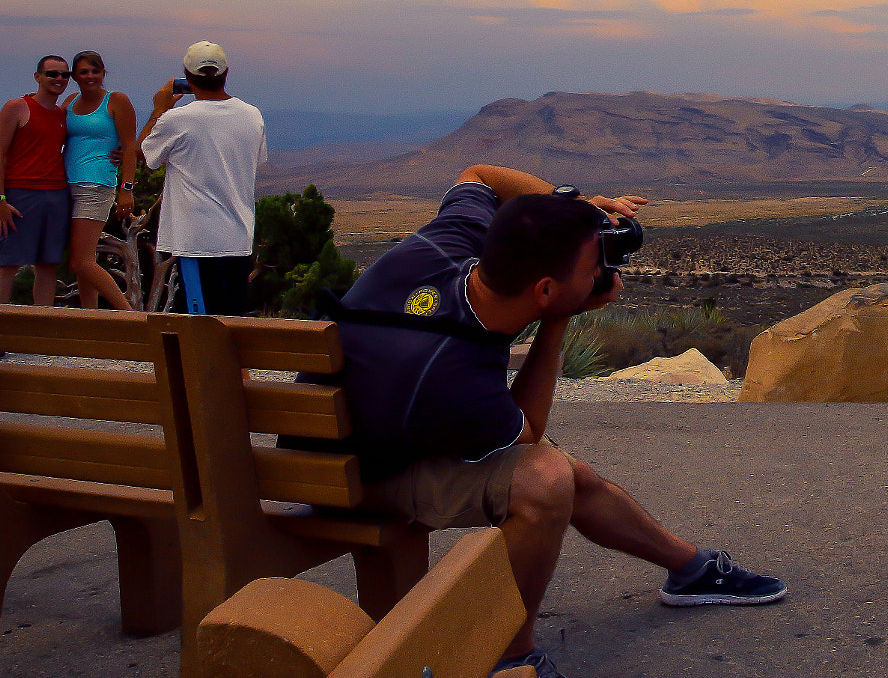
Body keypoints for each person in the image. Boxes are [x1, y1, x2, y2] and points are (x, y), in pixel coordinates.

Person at [290, 163, 786, 678]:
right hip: (352, 477)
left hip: (351, 433)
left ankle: (689, 569)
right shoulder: (454, 379)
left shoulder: (446, 244)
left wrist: (576, 209)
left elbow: (480, 174)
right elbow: (528, 434)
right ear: (545, 291)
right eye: (592, 266)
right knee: (544, 480)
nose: (602, 274)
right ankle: (508, 652)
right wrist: (556, 327)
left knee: (559, 474)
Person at [138, 41, 266, 316]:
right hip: (239, 237)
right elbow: (257, 159)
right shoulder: (252, 115)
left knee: (201, 321)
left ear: (188, 75)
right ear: (226, 73)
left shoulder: (177, 119)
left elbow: (144, 153)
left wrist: (159, 109)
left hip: (198, 240)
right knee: (231, 318)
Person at [62, 50, 139, 310]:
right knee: (86, 259)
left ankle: (132, 319)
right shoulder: (71, 102)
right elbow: (50, 124)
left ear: (104, 72)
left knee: (80, 262)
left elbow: (130, 146)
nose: (90, 76)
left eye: (95, 71)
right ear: (75, 76)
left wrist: (126, 189)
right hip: (67, 184)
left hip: (96, 186)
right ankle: (91, 318)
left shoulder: (116, 101)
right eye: (84, 72)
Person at [0, 56, 75, 306]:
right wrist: (0, 199)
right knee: (8, 263)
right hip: (21, 192)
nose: (59, 79)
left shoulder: (62, 113)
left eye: (65, 75)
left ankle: (43, 331)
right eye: (52, 73)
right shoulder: (18, 107)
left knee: (48, 264)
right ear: (38, 76)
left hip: (56, 194)